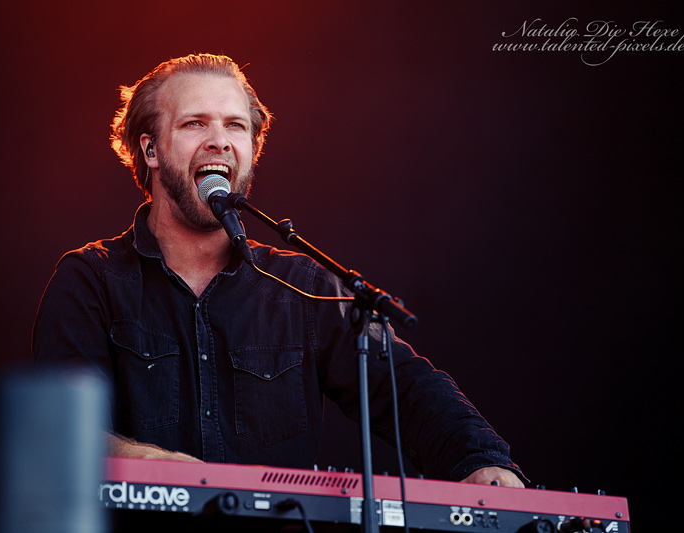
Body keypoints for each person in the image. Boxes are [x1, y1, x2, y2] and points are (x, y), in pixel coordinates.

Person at [32, 53, 526, 488]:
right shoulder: (88, 281)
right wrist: (173, 473)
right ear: (150, 150)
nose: (219, 142)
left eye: (235, 126)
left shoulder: (304, 288)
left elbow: (403, 386)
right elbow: (56, 429)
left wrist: (481, 462)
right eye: (194, 124)